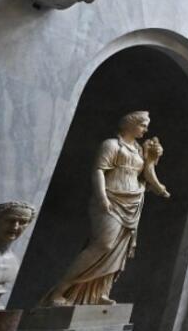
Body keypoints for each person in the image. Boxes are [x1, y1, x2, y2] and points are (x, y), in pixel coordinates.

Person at [45, 111, 170, 306]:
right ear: (130, 124)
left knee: (119, 249)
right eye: (143, 125)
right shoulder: (111, 145)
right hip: (111, 198)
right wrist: (102, 197)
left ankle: (99, 293)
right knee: (103, 244)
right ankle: (59, 291)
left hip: (133, 201)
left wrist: (153, 163)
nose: (146, 130)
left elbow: (146, 173)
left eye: (146, 126)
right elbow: (99, 171)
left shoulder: (138, 150)